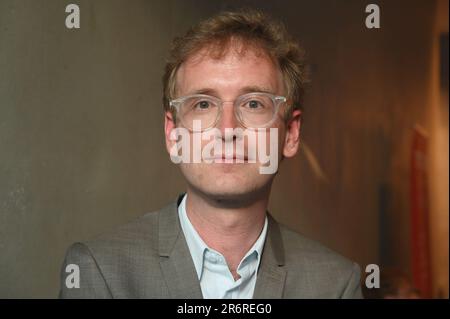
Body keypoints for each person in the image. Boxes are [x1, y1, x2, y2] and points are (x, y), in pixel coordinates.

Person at [59, 8, 363, 299]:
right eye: (203, 104)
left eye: (254, 103)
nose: (227, 128)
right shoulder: (99, 271)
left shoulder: (334, 284)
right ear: (172, 135)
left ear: (292, 134)